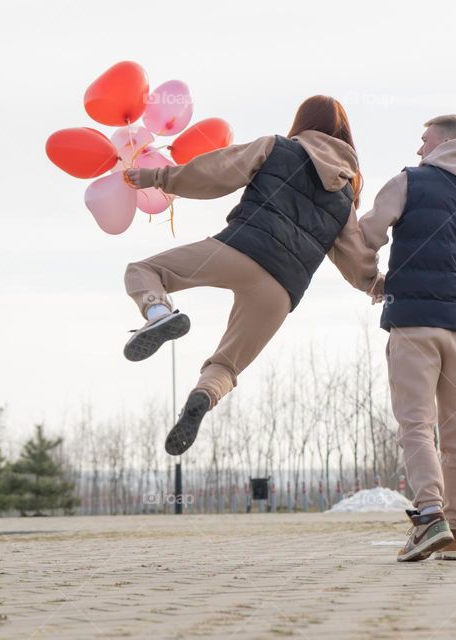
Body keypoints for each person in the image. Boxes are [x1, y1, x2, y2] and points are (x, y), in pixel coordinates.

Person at [122, 95, 382, 456]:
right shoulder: (345, 197)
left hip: (240, 251)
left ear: (303, 121)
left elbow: (215, 172)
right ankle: (203, 396)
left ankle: (159, 315)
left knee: (145, 271)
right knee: (227, 364)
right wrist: (376, 285)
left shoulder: (277, 147)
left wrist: (157, 178)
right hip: (281, 290)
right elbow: (357, 260)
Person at [359, 115, 456, 562]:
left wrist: (373, 280)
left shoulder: (409, 182)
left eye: (423, 141)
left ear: (445, 141)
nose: (419, 150)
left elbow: (366, 234)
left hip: (414, 324)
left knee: (416, 425)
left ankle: (429, 518)